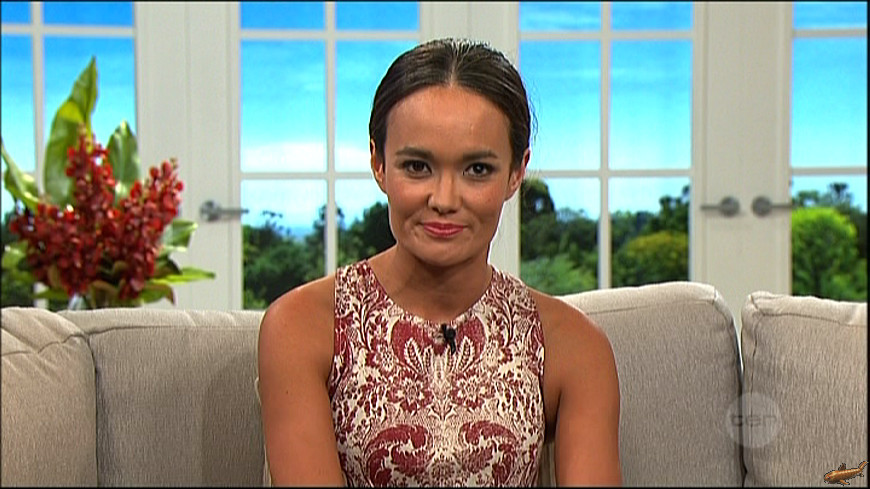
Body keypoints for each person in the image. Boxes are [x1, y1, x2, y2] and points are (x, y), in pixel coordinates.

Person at [257, 38, 621, 487]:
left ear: (516, 171)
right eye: (417, 166)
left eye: (477, 170)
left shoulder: (573, 345)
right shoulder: (302, 327)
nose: (444, 200)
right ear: (378, 163)